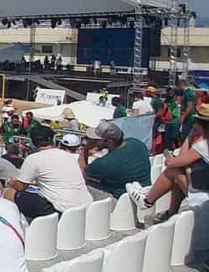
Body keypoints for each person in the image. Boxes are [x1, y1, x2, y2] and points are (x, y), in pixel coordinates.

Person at [128, 102, 209, 239]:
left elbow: (173, 161)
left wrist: (190, 137)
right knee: (179, 173)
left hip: (203, 196)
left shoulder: (203, 145)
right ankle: (170, 212)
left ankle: (147, 201)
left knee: (173, 171)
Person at [3, 125, 92, 219]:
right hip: (86, 206)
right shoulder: (68, 156)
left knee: (10, 193)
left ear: (32, 142)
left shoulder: (33, 159)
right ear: (53, 139)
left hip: (62, 211)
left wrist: (12, 182)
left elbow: (21, 186)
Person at [80, 120, 150, 199]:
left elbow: (81, 172)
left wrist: (85, 149)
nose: (93, 141)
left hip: (120, 200)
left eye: (96, 140)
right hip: (145, 192)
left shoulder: (105, 163)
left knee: (82, 183)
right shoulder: (137, 143)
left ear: (109, 142)